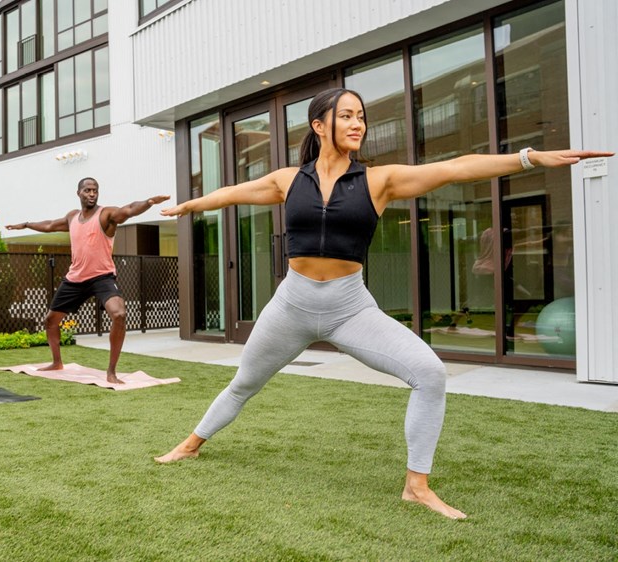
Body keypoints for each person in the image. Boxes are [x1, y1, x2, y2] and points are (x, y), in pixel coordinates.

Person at [153, 87, 612, 519]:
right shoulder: (288, 180)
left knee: (429, 373)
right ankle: (191, 443)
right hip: (291, 304)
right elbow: (232, 194)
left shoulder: (379, 180)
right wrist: (188, 207)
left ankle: (417, 484)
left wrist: (529, 158)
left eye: (361, 118)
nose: (358, 125)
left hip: (350, 308)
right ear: (319, 125)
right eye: (346, 116)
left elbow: (456, 168)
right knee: (243, 384)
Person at [5, 178, 169, 384]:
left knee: (119, 314)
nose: (92, 194)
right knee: (50, 321)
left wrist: (149, 202)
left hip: (102, 276)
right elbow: (49, 225)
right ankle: (57, 362)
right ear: (79, 193)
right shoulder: (72, 217)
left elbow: (128, 210)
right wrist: (27, 224)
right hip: (75, 278)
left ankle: (111, 372)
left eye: (95, 190)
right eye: (87, 190)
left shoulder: (106, 214)